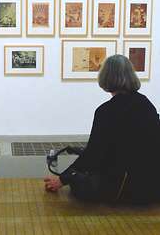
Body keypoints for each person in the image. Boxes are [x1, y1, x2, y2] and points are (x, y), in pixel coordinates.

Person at [44, 54, 160, 204]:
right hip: (153, 188)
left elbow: (93, 155)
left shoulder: (106, 111)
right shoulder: (147, 105)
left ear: (106, 77)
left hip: (124, 190)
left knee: (78, 186)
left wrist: (62, 179)